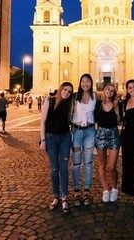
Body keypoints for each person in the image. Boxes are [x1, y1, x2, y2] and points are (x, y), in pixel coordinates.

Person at [40, 82, 74, 214]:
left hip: (65, 137)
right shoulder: (50, 101)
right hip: (51, 138)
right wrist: (43, 141)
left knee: (64, 168)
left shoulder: (71, 104)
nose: (66, 93)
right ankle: (56, 196)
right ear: (60, 89)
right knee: (54, 168)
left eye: (69, 91)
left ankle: (65, 197)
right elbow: (42, 122)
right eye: (65, 90)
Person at [72, 74, 97, 206]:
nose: (85, 84)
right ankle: (76, 191)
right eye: (83, 81)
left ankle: (86, 191)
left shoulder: (95, 96)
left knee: (88, 162)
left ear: (91, 83)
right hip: (77, 132)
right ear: (80, 83)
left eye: (87, 82)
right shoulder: (74, 96)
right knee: (76, 162)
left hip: (90, 131)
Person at [94, 83, 120, 203]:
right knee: (102, 165)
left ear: (114, 93)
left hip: (113, 135)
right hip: (100, 135)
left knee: (111, 166)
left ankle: (114, 188)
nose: (110, 91)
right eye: (108, 89)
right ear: (104, 90)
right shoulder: (98, 104)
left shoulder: (117, 105)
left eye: (112, 90)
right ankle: (106, 189)